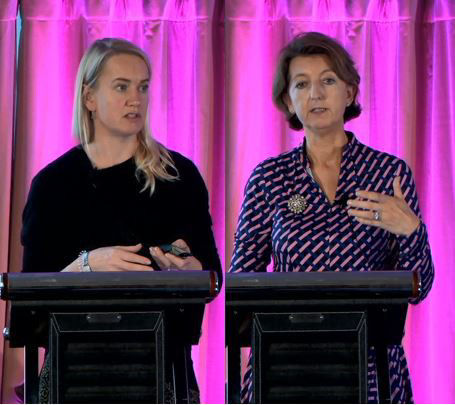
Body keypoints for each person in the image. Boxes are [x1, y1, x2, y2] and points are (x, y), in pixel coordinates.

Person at [229, 32, 434, 404]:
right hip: (284, 361)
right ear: (288, 101)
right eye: (301, 84)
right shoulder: (269, 177)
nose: (316, 94)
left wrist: (411, 231)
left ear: (350, 93)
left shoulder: (388, 173)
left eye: (328, 81)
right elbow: (241, 282)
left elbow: (420, 289)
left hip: (371, 364)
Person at [21, 38, 222, 403]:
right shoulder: (52, 184)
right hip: (74, 367)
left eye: (143, 87)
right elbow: (30, 298)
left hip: (161, 364)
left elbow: (212, 278)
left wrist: (190, 271)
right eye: (122, 87)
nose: (136, 99)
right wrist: (88, 264)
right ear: (89, 98)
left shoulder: (179, 175)